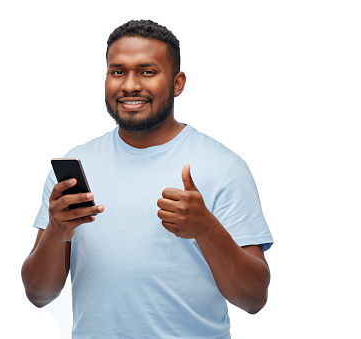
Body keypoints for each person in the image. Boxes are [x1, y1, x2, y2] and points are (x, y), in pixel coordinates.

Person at [22, 19, 273, 338]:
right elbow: (38, 295)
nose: (129, 85)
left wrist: (207, 230)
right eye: (118, 71)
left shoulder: (222, 167)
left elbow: (253, 299)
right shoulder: (77, 166)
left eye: (147, 71)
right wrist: (57, 233)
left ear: (178, 83)